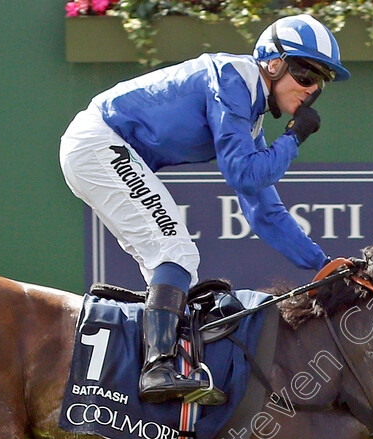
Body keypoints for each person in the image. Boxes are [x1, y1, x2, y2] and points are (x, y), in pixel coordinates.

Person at [59, 14, 350, 404]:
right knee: (175, 251)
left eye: (319, 84)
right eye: (304, 75)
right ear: (273, 62)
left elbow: (265, 212)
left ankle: (155, 363)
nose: (310, 91)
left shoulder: (248, 115)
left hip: (101, 147)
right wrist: (294, 138)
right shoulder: (234, 78)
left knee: (168, 261)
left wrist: (322, 264)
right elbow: (244, 175)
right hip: (98, 142)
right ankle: (157, 367)